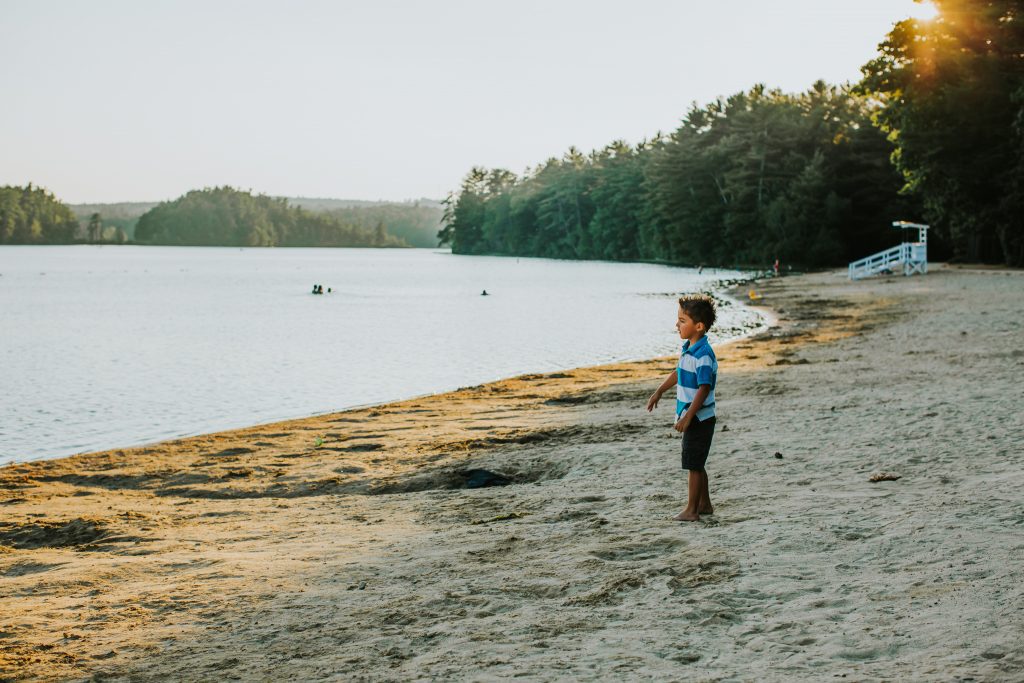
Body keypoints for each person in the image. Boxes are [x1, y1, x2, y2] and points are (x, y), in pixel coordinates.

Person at [646, 294, 719, 522]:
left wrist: (688, 416)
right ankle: (704, 504)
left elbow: (704, 388)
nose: (676, 325)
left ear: (699, 326)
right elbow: (678, 372)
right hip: (693, 416)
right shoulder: (688, 348)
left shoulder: (704, 355)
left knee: (693, 464)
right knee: (697, 462)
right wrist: (660, 390)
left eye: (682, 320)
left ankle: (691, 510)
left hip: (699, 418)